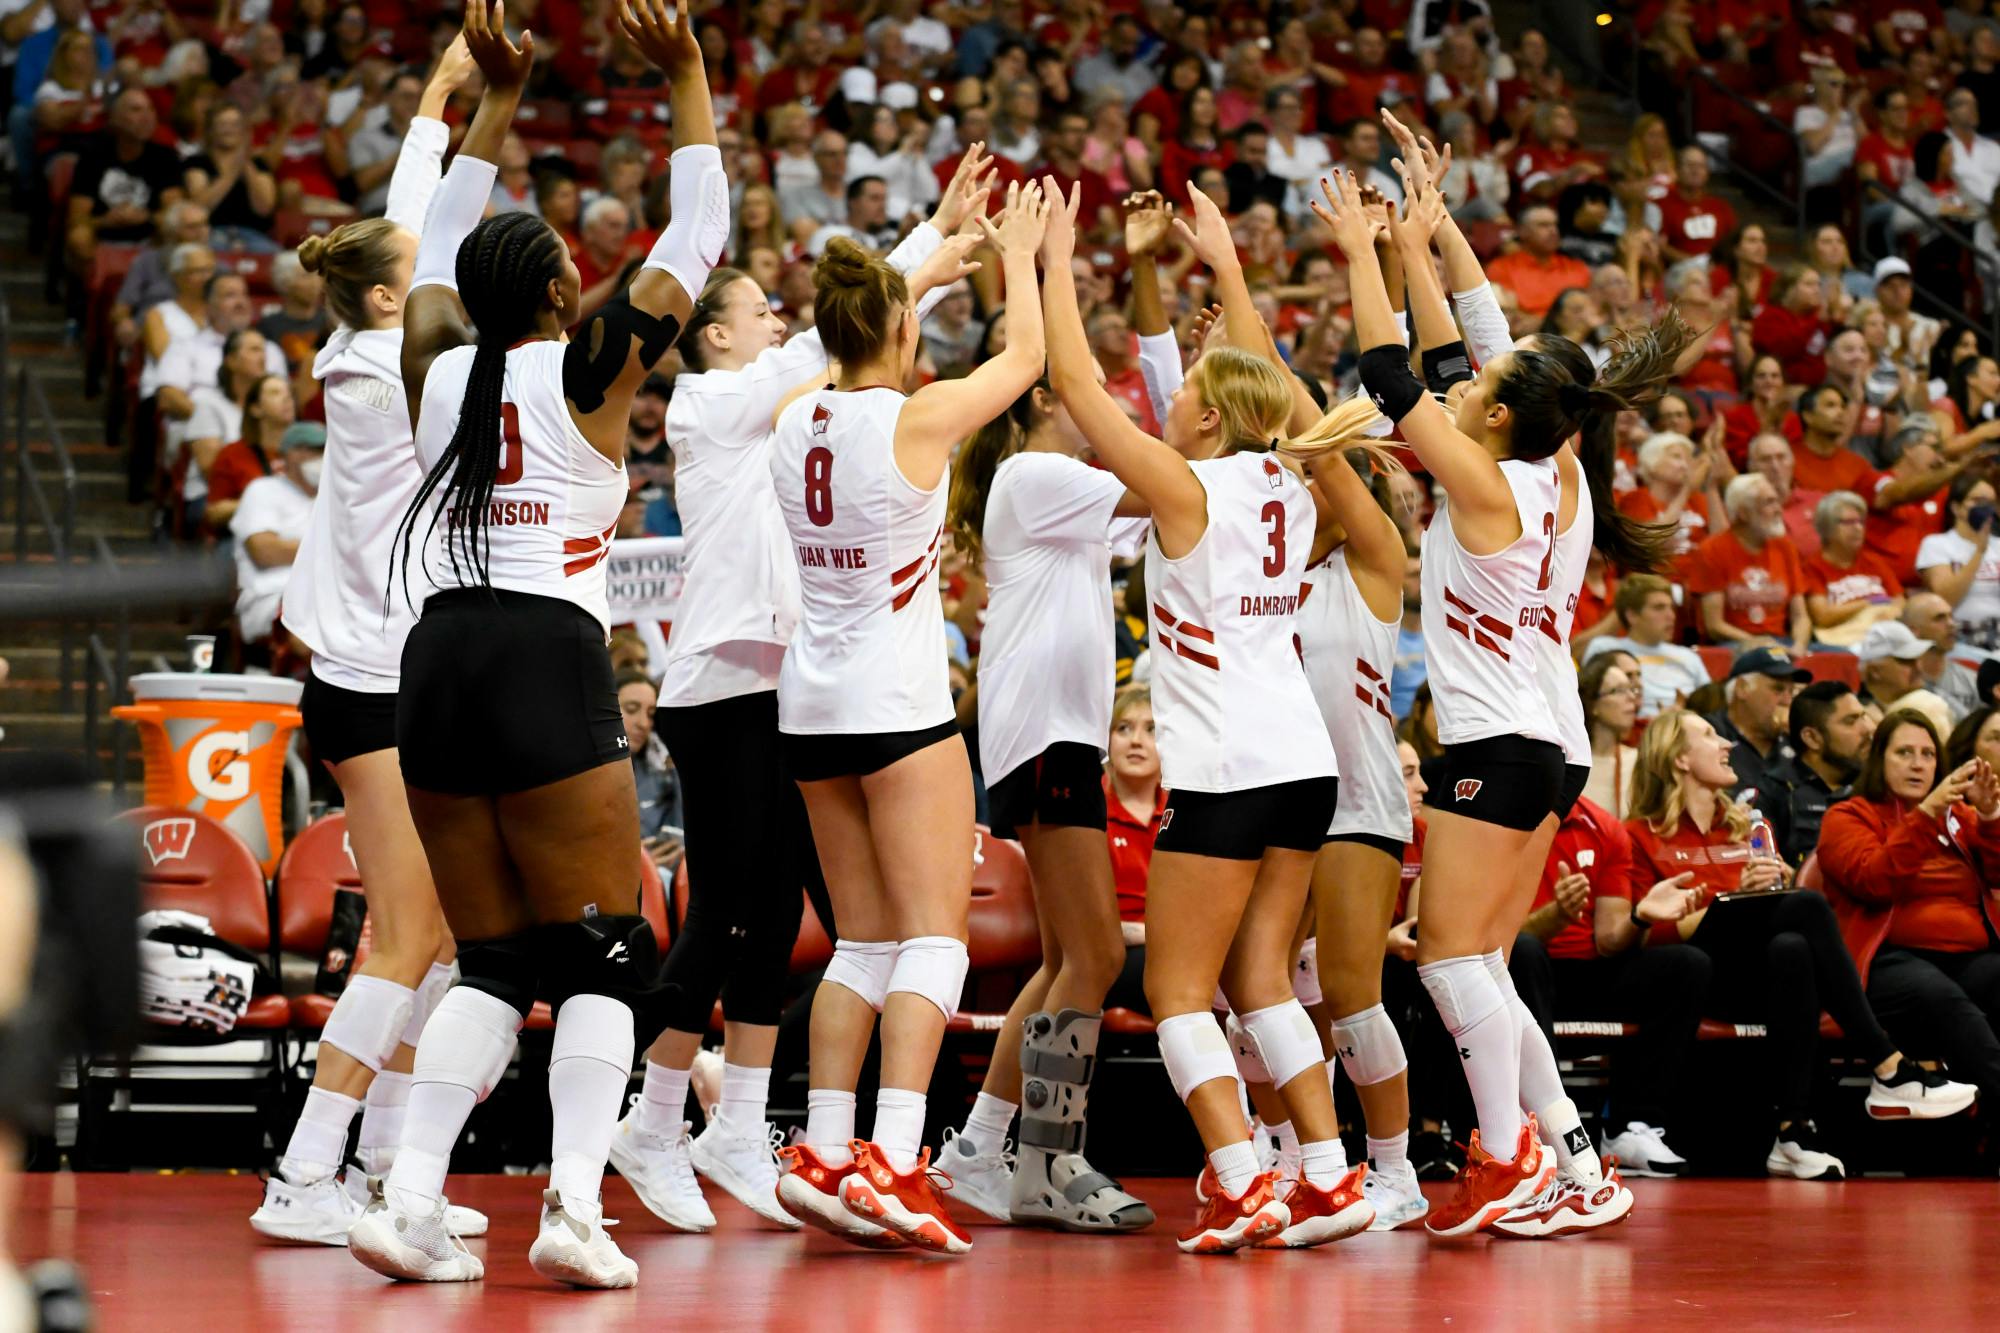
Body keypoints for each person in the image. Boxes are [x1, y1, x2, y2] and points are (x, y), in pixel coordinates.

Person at [344, 0, 722, 1290]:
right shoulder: (590, 370)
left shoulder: (433, 359)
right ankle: (570, 1204)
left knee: (494, 956)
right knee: (609, 947)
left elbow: (435, 250)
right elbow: (701, 237)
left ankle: (404, 1198)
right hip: (547, 652)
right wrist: (683, 76)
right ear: (565, 289)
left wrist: (490, 107)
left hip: (437, 660)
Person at [610, 151, 990, 1238]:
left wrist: (922, 260)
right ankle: (651, 1119)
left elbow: (849, 348)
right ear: (715, 335)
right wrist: (923, 251)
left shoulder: (791, 407)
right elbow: (844, 336)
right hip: (723, 681)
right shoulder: (714, 399)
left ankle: (737, 1131)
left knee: (775, 913)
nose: (777, 321)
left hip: (780, 685)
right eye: (755, 311)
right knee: (729, 906)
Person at [1317, 131, 1683, 1236]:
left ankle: (1506, 1157)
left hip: (1494, 744)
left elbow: (1397, 376)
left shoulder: (1476, 478)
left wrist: (1361, 258)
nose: (1473, 380)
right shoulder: (1558, 464)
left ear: (1494, 414)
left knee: (1445, 957)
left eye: (1482, 389)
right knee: (1475, 961)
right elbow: (1472, 353)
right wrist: (1429, 238)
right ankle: (1571, 1157)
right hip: (1547, 737)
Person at [1045, 180, 1363, 1254]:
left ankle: (1239, 1176)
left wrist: (1048, 264)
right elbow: (1259, 373)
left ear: (1211, 416)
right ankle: (1325, 1171)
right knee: (1262, 976)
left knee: (1178, 985)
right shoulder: (1292, 478)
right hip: (1301, 762)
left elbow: (1082, 394)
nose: (1164, 400)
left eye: (1181, 396)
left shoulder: (1186, 488)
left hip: (1225, 763)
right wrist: (1224, 272)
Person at [765, 183, 1048, 1258]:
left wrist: (917, 266)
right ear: (897, 326)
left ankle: (825, 1151)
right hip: (896, 706)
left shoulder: (795, 413)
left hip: (812, 703)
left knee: (861, 942)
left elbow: (869, 321)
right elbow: (1023, 363)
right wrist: (1022, 254)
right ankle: (894, 1157)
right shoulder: (919, 413)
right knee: (933, 935)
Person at [251, 35, 480, 1252]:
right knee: (405, 936)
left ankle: (390, 1164)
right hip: (372, 684)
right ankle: (303, 1173)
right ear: (393, 298)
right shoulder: (393, 373)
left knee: (433, 930)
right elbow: (428, 234)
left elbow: (410, 223)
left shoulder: (361, 340)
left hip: (379, 678)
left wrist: (442, 97)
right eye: (423, 273)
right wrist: (462, 118)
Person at [937, 338, 1158, 1230]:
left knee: (1069, 961)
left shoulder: (1053, 481)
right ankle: (1045, 1160)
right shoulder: (1036, 472)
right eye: (1082, 391)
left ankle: (979, 1149)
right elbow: (1165, 488)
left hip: (1048, 733)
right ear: (1037, 405)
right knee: (1098, 958)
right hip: (1043, 735)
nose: (1098, 406)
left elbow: (1168, 512)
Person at [1623, 709, 1975, 1182]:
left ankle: (1792, 1131)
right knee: (1804, 909)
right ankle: (1888, 1065)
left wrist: (1770, 890)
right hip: (1693, 979)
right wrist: (1730, 906)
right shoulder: (1638, 834)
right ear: (1678, 758)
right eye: (1710, 736)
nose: (1728, 744)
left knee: (1792, 944)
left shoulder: (1744, 827)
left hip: (1755, 976)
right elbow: (1639, 936)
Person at [1509, 792, 1709, 1178]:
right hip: (1523, 972)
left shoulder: (1603, 827)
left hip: (1588, 973)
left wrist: (1640, 918)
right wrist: (1553, 918)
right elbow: (1490, 942)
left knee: (1687, 964)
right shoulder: (1502, 819)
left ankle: (1630, 1126)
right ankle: (1544, 1130)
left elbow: (1609, 941)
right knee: (1525, 950)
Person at [1820, 709, 2000, 1111]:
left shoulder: (1961, 818)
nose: (1919, 764)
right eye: (1904, 752)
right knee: (1944, 1000)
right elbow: (1875, 881)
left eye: (1927, 754)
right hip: (1886, 960)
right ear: (1878, 758)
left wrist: (1990, 817)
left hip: (1969, 956)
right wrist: (1926, 815)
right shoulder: (1847, 817)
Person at [1742, 681, 1876, 866]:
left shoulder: (1875, 784)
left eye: (1864, 717)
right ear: (1812, 738)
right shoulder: (1775, 792)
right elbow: (1762, 863)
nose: (1868, 729)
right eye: (1851, 721)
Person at [1687, 474, 1811, 652]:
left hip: (1781, 642)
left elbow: (1800, 616)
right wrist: (1760, 644)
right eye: (1768, 503)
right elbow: (1714, 626)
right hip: (1735, 643)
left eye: (1777, 501)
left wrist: (1799, 646)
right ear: (1743, 513)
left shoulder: (1785, 547)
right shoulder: (1712, 550)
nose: (1778, 509)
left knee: (1840, 656)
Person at [229, 427, 324, 652]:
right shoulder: (263, 490)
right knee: (311, 622)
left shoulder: (333, 498)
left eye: (324, 450)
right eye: (312, 450)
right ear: (289, 455)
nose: (321, 457)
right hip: (271, 597)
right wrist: (330, 551)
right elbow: (264, 551)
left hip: (325, 595)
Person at [1103, 685, 1163, 1015]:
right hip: (1113, 958)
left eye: (1152, 730)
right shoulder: (1090, 814)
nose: (1136, 740)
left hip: (1174, 952)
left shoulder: (1184, 815)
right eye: (1123, 728)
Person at [1583, 573, 1712, 718]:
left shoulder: (1689, 656)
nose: (1671, 616)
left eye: (1671, 608)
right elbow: (1593, 702)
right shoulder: (1605, 648)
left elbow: (1712, 706)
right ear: (1632, 615)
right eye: (1659, 608)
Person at [1804, 490, 1906, 645]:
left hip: (1885, 632)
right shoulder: (1812, 567)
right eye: (1849, 523)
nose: (1858, 528)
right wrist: (1868, 603)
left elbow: (1899, 601)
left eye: (1861, 522)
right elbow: (1822, 616)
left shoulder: (1874, 561)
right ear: (1826, 528)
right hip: (1846, 638)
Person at [1708, 647, 1809, 799]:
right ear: (1742, 688)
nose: (1788, 701)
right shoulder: (1708, 734)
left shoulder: (1799, 741)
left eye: (1792, 691)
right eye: (1778, 689)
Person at [203, 375, 297, 534]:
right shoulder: (232, 454)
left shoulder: (310, 451)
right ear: (255, 409)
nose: (287, 398)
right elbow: (213, 514)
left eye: (289, 393)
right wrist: (261, 501)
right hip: (249, 536)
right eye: (275, 393)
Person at [1917, 469, 2000, 650]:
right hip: (1961, 633)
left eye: (1991, 503)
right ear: (1956, 508)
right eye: (1978, 501)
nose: (1986, 508)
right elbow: (1947, 598)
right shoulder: (1937, 544)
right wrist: (1979, 551)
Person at [1857, 621, 1955, 739]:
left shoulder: (1929, 703)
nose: (1919, 668)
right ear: (1875, 671)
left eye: (1918, 659)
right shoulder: (1855, 715)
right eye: (1907, 661)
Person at [1578, 653, 1639, 817]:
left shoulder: (1640, 762)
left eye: (1631, 689)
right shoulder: (1570, 765)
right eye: (1618, 690)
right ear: (1593, 704)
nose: (1631, 697)